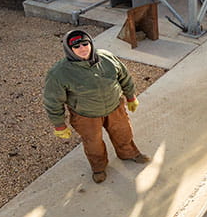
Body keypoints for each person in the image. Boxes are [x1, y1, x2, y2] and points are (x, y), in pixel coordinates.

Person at [43, 29, 148, 183]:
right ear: (69, 50)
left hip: (114, 108)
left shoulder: (107, 58)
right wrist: (59, 125)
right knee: (93, 143)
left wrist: (131, 96)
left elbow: (124, 77)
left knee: (123, 132)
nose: (83, 48)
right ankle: (98, 167)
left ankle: (129, 153)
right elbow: (53, 100)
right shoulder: (59, 73)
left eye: (85, 43)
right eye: (77, 47)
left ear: (91, 43)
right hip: (86, 116)